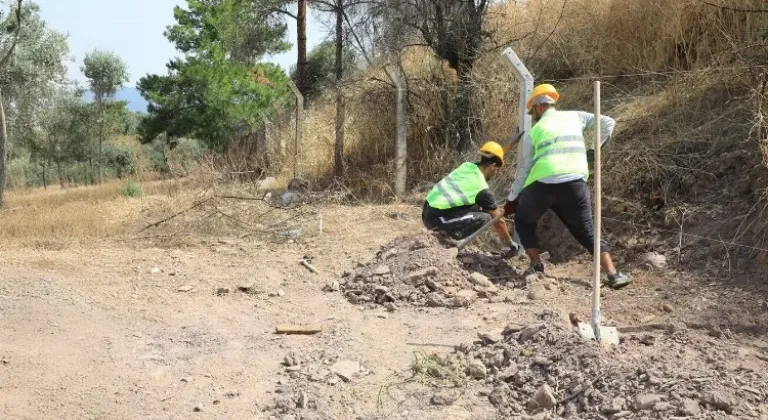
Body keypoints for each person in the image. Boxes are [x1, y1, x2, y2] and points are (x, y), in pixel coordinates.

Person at [503, 83, 631, 289]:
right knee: (587, 230)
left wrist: (512, 201)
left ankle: (536, 266)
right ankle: (613, 274)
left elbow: (524, 170)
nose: (533, 116)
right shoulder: (576, 116)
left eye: (532, 112)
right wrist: (593, 149)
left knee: (524, 222)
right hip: (574, 183)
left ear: (538, 107)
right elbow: (608, 122)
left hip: (541, 186)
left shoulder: (533, 133)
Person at [422, 141, 519, 254]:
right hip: (437, 221)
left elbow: (490, 157)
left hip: (427, 211)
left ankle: (444, 232)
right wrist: (510, 243)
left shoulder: (467, 166)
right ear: (492, 166)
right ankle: (446, 239)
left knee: (478, 207)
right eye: (497, 170)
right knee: (486, 217)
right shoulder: (481, 189)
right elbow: (498, 221)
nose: (496, 174)